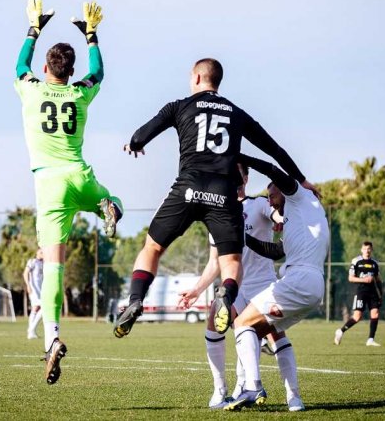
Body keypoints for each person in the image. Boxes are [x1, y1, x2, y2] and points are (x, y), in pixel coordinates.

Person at [115, 58, 317, 339]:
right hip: (224, 193)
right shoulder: (237, 113)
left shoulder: (178, 106)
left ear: (197, 78)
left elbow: (139, 137)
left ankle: (136, 299)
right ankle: (226, 295)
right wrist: (301, 179)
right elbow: (274, 149)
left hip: (188, 188)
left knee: (152, 247)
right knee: (231, 260)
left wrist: (135, 144)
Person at [15, 0, 123, 384]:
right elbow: (99, 74)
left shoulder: (31, 89)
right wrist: (92, 36)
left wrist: (33, 29)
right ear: (71, 70)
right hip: (80, 176)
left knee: (53, 268)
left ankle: (53, 339)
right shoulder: (80, 93)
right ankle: (108, 207)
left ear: (46, 69)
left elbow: (19, 67)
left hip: (50, 186)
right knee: (112, 200)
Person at [178, 166, 304, 411]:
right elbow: (214, 262)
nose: (232, 179)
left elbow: (278, 215)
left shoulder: (258, 204)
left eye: (237, 174)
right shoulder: (217, 214)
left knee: (276, 335)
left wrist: (282, 219)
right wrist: (196, 290)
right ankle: (221, 391)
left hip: (263, 285)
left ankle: (294, 396)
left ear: (246, 178)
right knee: (214, 322)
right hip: (234, 287)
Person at [224, 155, 328, 412]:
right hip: (312, 286)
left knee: (241, 324)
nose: (270, 201)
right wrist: (244, 237)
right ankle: (294, 399)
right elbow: (275, 251)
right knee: (255, 333)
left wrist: (236, 155)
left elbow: (271, 168)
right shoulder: (300, 217)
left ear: (285, 189)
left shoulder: (298, 196)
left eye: (272, 196)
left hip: (299, 280)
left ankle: (252, 387)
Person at [334, 241, 382, 346]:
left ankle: (370, 340)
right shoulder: (356, 261)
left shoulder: (375, 263)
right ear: (361, 250)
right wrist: (364, 280)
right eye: (365, 249)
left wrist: (380, 294)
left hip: (373, 292)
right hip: (361, 291)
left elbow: (378, 280)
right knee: (357, 317)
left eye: (369, 249)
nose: (367, 251)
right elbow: (350, 278)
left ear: (371, 250)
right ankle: (340, 331)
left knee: (375, 313)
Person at [23, 249, 44, 339]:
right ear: (37, 253)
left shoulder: (44, 263)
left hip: (41, 290)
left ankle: (31, 332)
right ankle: (31, 330)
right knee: (43, 308)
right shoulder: (32, 261)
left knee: (35, 309)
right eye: (41, 252)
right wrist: (28, 285)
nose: (43, 254)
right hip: (34, 289)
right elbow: (25, 273)